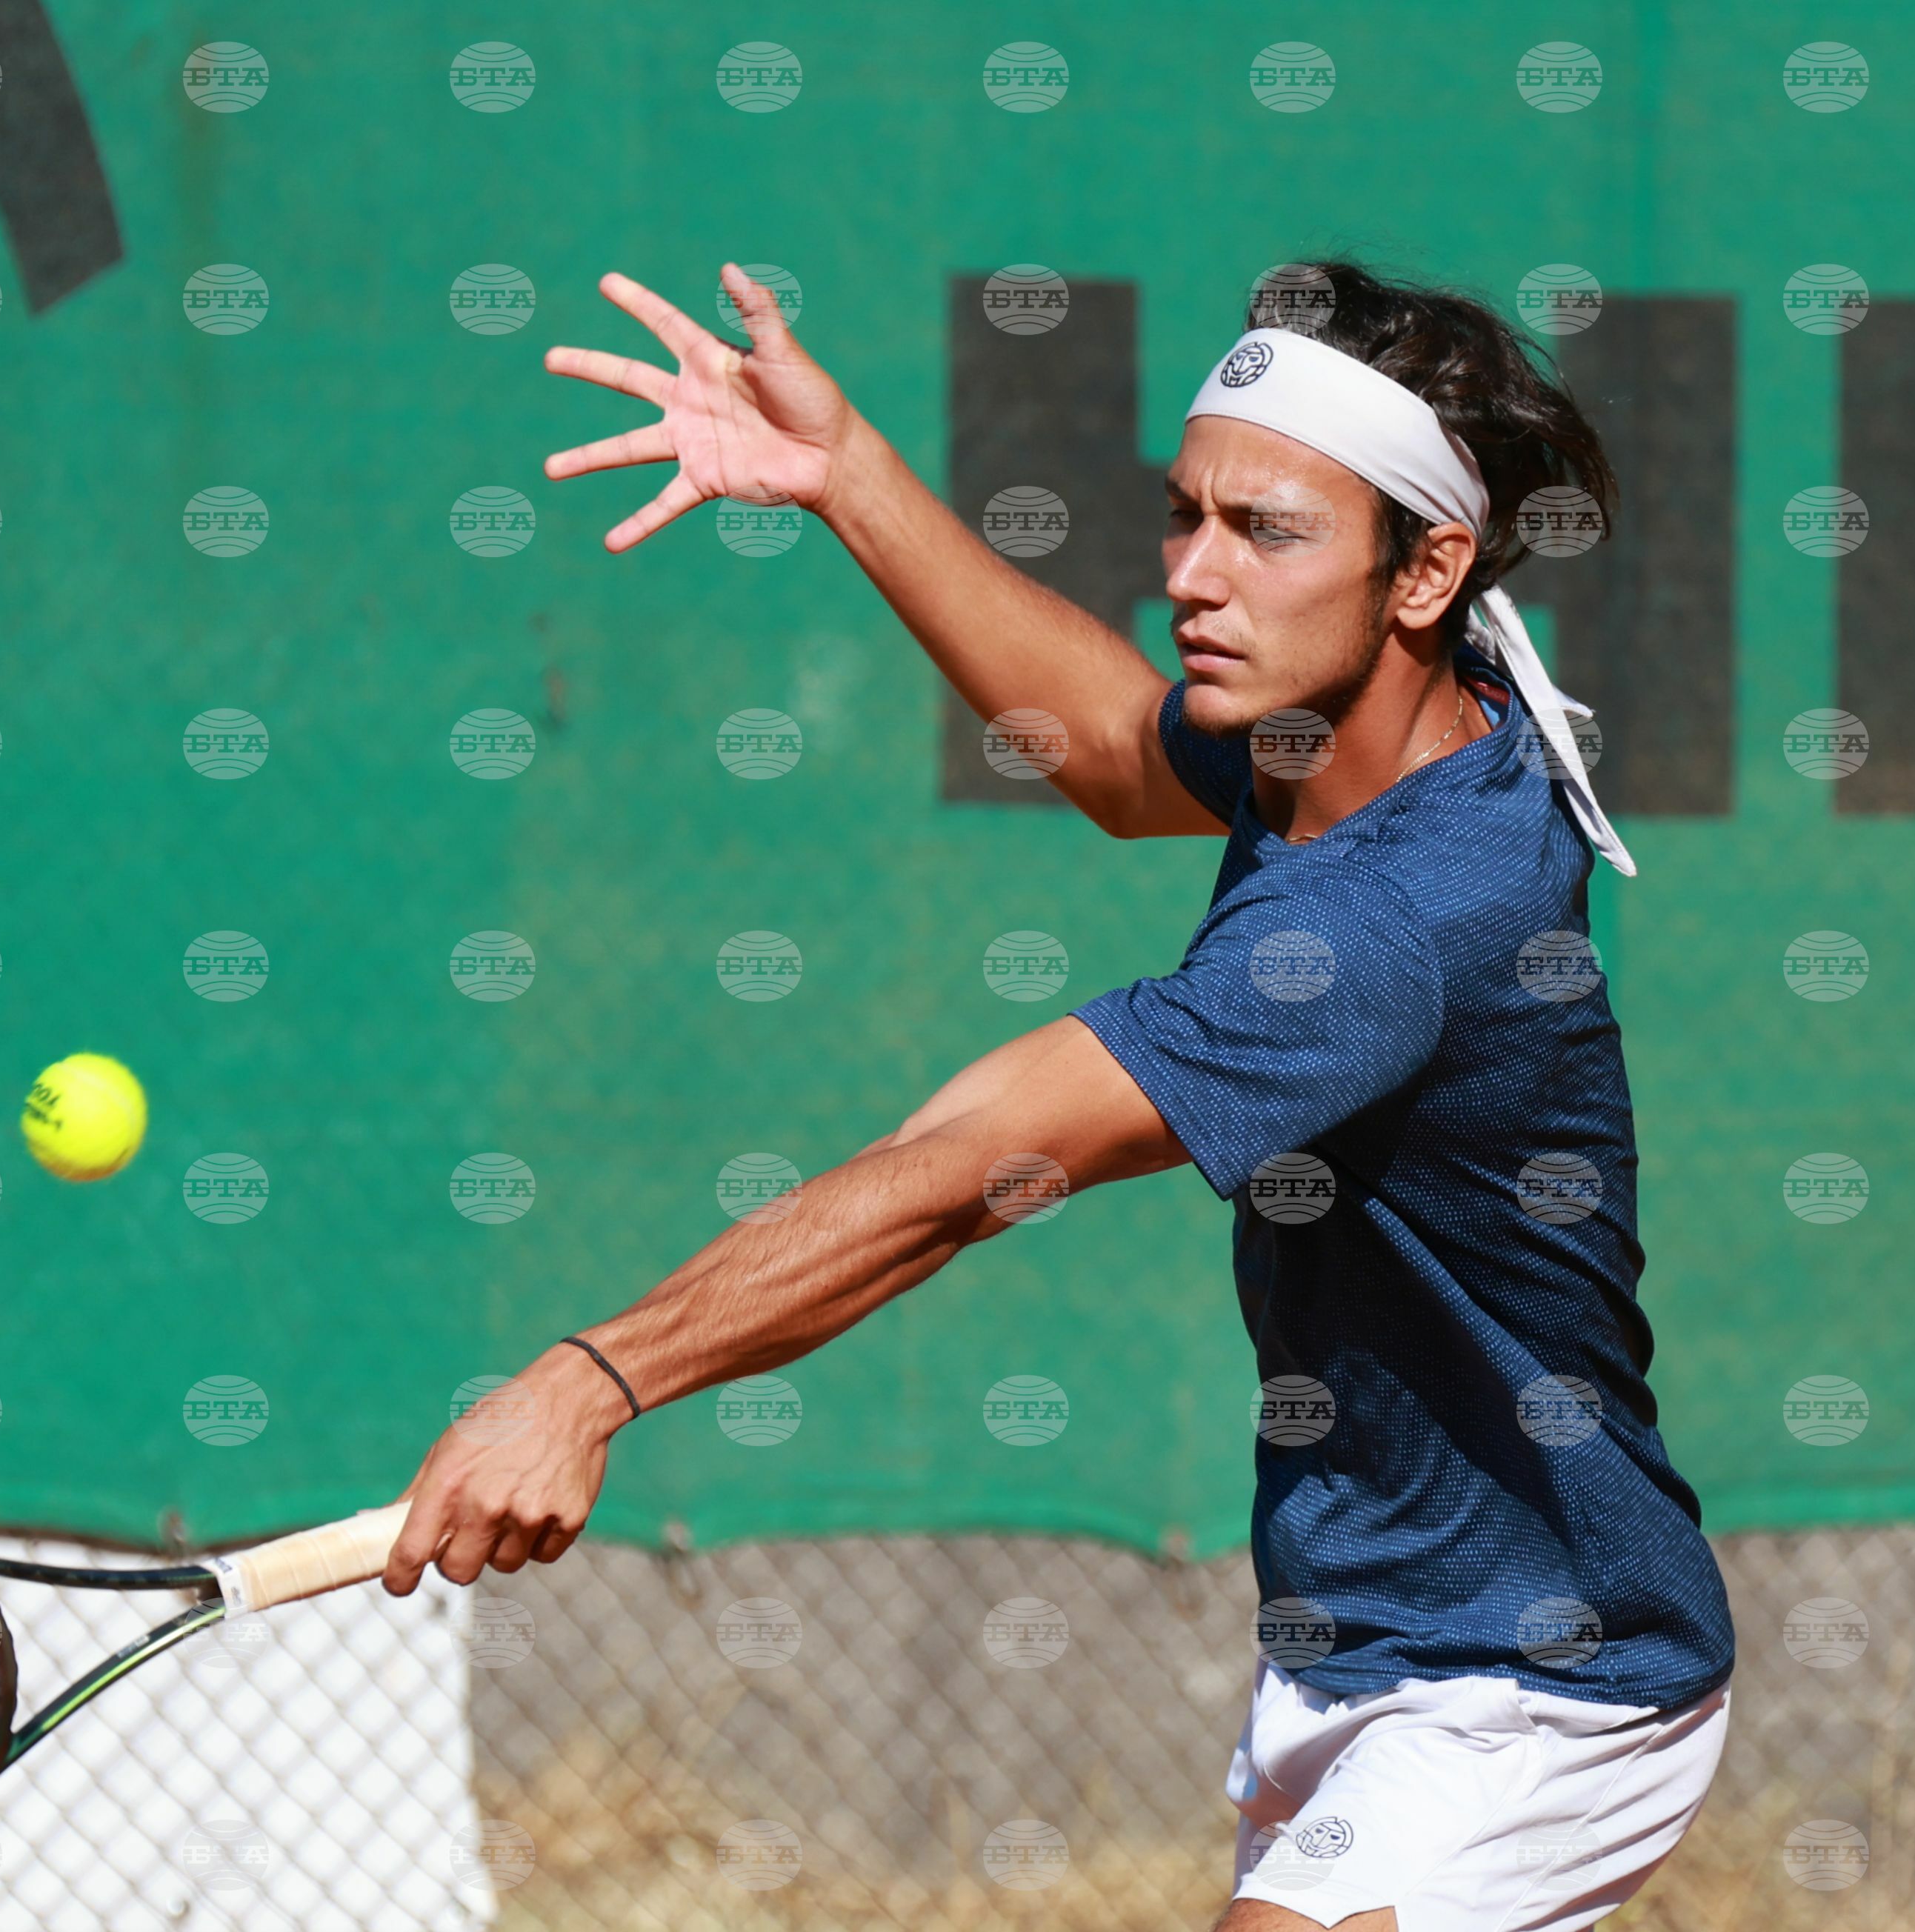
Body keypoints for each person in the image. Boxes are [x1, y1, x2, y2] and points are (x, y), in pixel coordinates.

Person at [379, 258, 1735, 1932]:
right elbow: (1105, 746)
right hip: (1367, 1635)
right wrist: (844, 470)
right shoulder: (1377, 725)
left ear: (1427, 567)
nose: (1191, 575)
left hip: (1536, 1678)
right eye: (1184, 515)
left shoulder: (1385, 927)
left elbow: (963, 1175)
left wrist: (591, 1382)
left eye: (1266, 532)